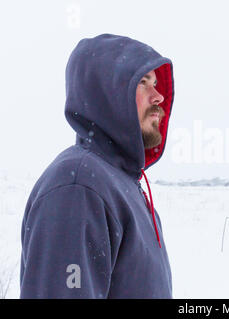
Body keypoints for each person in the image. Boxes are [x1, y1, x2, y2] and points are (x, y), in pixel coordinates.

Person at [20, 33, 174, 298]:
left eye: (157, 84)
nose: (158, 96)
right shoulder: (78, 188)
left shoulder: (122, 184)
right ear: (108, 93)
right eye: (143, 83)